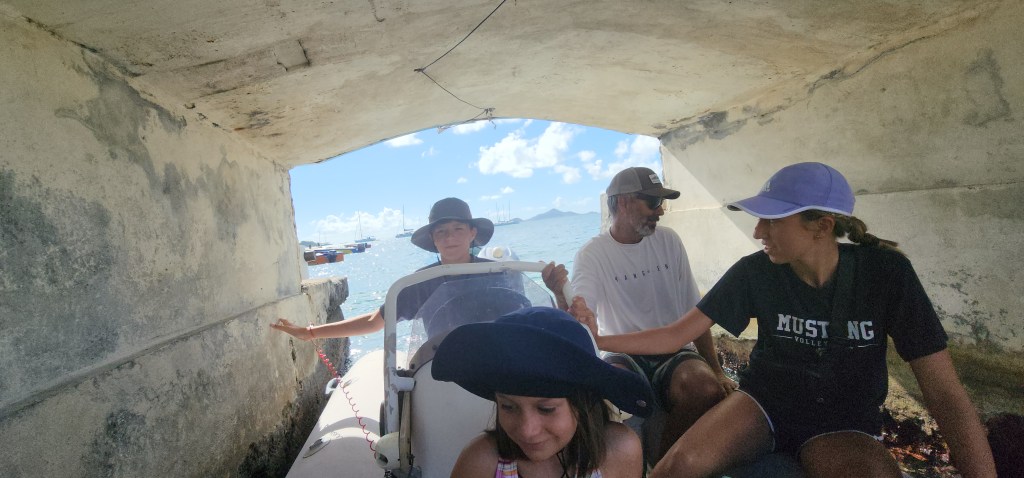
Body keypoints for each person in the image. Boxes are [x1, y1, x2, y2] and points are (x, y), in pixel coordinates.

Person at [571, 162, 997, 478]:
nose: (758, 232)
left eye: (772, 220)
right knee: (675, 468)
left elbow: (944, 392)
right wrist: (598, 338)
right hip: (763, 403)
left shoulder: (886, 274)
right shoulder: (755, 271)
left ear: (821, 226)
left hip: (844, 420)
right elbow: (677, 333)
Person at [543, 166, 734, 460]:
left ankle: (662, 463)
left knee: (705, 388)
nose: (660, 211)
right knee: (607, 393)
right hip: (622, 353)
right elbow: (581, 321)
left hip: (675, 351)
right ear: (623, 202)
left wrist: (717, 371)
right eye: (653, 202)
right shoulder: (592, 255)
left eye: (662, 202)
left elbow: (694, 313)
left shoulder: (669, 241)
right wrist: (560, 294)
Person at [431, 306, 654, 478]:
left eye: (546, 409)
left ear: (583, 403)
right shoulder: (480, 464)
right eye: (508, 406)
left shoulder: (620, 451)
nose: (527, 431)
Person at [272, 197, 520, 340]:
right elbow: (375, 322)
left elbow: (521, 321)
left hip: (494, 360)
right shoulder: (421, 282)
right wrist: (310, 333)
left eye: (458, 229)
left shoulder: (497, 273)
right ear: (433, 239)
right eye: (441, 231)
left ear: (472, 233)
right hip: (443, 365)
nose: (449, 237)